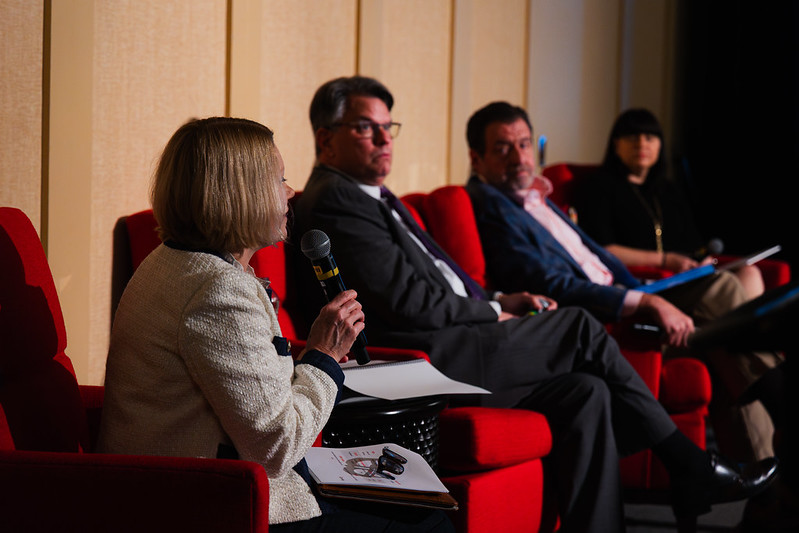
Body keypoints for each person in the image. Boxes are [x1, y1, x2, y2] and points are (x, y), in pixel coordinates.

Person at [291, 75, 778, 533]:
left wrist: (502, 299)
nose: (384, 139)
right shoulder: (337, 199)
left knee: (586, 391)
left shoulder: (371, 195)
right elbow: (409, 304)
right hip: (424, 356)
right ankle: (688, 464)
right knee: (580, 327)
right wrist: (492, 312)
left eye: (387, 127)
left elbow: (436, 286)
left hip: (457, 336)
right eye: (365, 128)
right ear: (326, 137)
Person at [97, 117, 454, 532]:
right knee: (430, 523)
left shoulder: (174, 262)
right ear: (239, 194)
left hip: (194, 488)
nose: (291, 192)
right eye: (279, 179)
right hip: (216, 505)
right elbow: (276, 447)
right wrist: (322, 357)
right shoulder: (217, 293)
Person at [464, 101, 782, 465]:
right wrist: (643, 300)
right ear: (476, 159)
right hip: (602, 319)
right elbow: (547, 281)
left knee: (726, 338)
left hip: (629, 295)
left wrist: (645, 289)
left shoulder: (536, 198)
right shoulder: (489, 203)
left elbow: (598, 257)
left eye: (524, 143)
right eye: (503, 148)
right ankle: (784, 397)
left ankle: (769, 490)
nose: (519, 157)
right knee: (723, 295)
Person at [575, 107, 765, 299]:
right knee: (726, 285)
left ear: (660, 146)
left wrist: (702, 259)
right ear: (616, 145)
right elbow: (602, 249)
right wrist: (664, 260)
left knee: (750, 273)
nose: (641, 144)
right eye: (632, 137)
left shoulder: (667, 190)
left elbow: (693, 243)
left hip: (683, 277)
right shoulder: (598, 186)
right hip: (641, 281)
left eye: (649, 138)